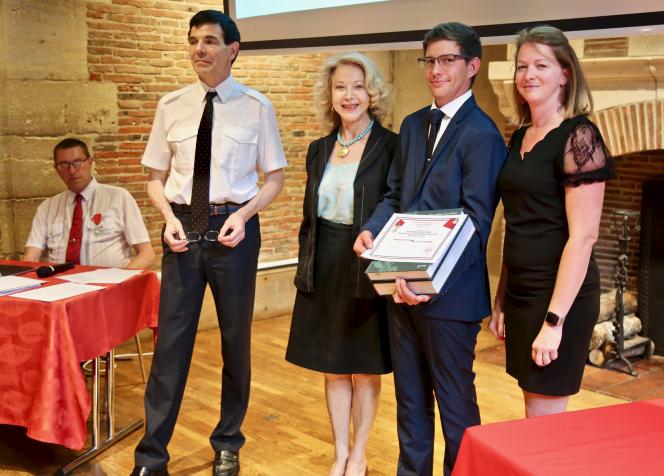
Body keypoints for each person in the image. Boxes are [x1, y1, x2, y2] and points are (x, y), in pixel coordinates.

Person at [131, 10, 286, 476]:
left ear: (232, 49)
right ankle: (151, 456)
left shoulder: (256, 106)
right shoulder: (171, 105)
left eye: (211, 41)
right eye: (194, 40)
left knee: (235, 343)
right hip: (181, 231)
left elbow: (274, 178)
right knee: (170, 347)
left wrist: (242, 215)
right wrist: (164, 218)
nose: (200, 49)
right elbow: (155, 178)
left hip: (232, 233)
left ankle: (227, 442)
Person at [353, 22, 507, 476]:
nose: (435, 69)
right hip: (399, 288)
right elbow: (394, 195)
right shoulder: (414, 124)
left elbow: (477, 225)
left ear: (472, 66)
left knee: (456, 407)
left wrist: (430, 283)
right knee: (411, 402)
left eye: (447, 60)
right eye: (430, 60)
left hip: (450, 298)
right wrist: (372, 230)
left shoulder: (483, 134)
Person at [489, 25, 613, 418]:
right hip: (522, 294)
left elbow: (584, 237)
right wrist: (502, 298)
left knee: (544, 422)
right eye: (522, 65)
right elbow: (517, 222)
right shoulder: (520, 136)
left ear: (565, 74)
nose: (529, 74)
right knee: (534, 409)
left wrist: (555, 321)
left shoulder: (579, 137)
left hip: (561, 299)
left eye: (541, 65)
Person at [285, 52, 396, 476]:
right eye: (340, 87)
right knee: (333, 367)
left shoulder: (392, 145)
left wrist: (372, 234)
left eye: (358, 86)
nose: (349, 95)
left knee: (365, 368)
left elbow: (393, 199)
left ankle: (360, 454)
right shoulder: (318, 150)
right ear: (329, 96)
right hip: (324, 262)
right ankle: (339, 454)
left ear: (372, 93)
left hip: (365, 260)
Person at [23, 137, 154, 269]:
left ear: (90, 162)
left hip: (108, 283)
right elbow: (31, 257)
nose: (72, 171)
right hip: (60, 285)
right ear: (56, 168)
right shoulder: (47, 208)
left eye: (78, 162)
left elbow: (146, 254)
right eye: (64, 165)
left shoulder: (119, 198)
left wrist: (119, 282)